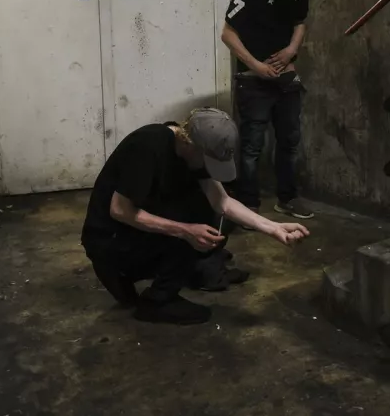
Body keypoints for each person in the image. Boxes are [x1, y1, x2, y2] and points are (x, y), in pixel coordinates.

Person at [81, 108, 310, 325]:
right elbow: (119, 210)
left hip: (133, 236)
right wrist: (185, 231)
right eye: (209, 161)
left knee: (212, 213)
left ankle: (192, 271)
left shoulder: (191, 153)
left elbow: (222, 202)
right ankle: (157, 301)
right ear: (188, 142)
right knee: (193, 218)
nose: (209, 169)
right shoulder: (147, 146)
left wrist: (273, 228)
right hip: (109, 244)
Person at [221, 0, 318, 220]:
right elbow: (227, 34)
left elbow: (300, 24)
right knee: (252, 145)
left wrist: (291, 51)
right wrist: (256, 66)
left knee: (289, 141)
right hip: (254, 80)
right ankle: (248, 204)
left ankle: (287, 199)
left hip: (285, 78)